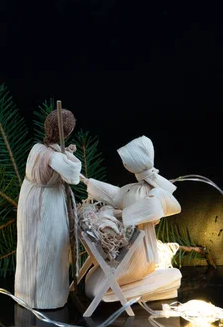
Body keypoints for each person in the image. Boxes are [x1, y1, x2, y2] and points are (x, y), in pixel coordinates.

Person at [79, 135, 182, 302]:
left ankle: (143, 283)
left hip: (138, 250)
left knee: (97, 288)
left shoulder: (152, 191)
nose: (124, 165)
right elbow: (115, 195)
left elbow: (154, 208)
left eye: (127, 161)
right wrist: (86, 181)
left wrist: (121, 215)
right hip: (126, 248)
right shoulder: (134, 188)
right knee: (93, 284)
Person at [15, 109, 82, 309]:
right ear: (67, 132)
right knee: (49, 246)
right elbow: (73, 176)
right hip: (46, 203)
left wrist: (64, 153)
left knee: (29, 245)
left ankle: (25, 293)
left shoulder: (36, 148)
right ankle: (46, 298)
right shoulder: (54, 157)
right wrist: (69, 158)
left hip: (29, 197)